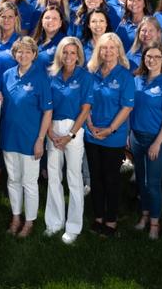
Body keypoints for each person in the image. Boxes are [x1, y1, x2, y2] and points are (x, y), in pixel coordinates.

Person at [0, 36, 52, 238]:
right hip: (9, 136)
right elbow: (3, 102)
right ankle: (16, 217)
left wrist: (40, 140)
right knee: (13, 180)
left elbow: (48, 112)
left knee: (29, 182)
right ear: (14, 54)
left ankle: (29, 221)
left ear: (35, 55)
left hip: (30, 139)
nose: (23, 55)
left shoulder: (41, 77)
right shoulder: (7, 75)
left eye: (28, 51)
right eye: (19, 51)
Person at [83, 33, 135, 238]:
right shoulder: (91, 73)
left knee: (111, 178)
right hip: (91, 132)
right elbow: (85, 102)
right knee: (96, 177)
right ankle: (98, 217)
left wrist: (110, 129)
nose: (108, 51)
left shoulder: (125, 75)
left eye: (112, 48)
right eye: (104, 48)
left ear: (119, 51)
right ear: (98, 51)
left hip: (114, 135)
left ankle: (111, 220)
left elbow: (127, 107)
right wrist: (90, 124)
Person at [44, 36, 94, 244]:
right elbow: (45, 107)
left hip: (73, 129)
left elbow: (85, 109)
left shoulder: (85, 76)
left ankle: (73, 226)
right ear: (59, 54)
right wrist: (50, 133)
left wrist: (70, 135)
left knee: (74, 178)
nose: (68, 56)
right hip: (52, 128)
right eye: (65, 52)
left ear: (79, 55)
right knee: (54, 177)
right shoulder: (51, 75)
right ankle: (54, 222)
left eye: (73, 52)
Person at [129, 42, 162, 240]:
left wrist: (158, 143)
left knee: (153, 183)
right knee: (141, 180)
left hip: (156, 139)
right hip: (136, 137)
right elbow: (129, 109)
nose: (152, 60)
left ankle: (155, 223)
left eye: (157, 57)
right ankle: (144, 215)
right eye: (148, 56)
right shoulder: (137, 81)